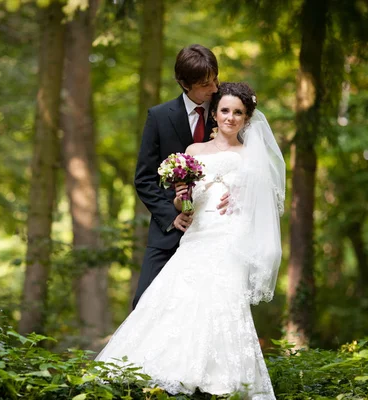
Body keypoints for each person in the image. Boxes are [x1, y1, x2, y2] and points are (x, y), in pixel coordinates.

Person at [96, 82, 285, 399]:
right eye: (225, 110)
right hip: (197, 233)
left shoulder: (252, 158)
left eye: (238, 112)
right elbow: (185, 202)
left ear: (247, 117)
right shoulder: (193, 152)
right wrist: (180, 199)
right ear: (215, 113)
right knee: (179, 294)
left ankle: (221, 380)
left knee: (223, 299)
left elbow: (266, 208)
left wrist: (245, 197)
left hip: (231, 236)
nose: (230, 117)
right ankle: (175, 372)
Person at [133, 44, 228, 309]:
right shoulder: (159, 117)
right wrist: (171, 216)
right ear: (185, 84)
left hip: (214, 230)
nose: (215, 89)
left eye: (215, 79)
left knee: (204, 308)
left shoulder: (227, 112)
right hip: (168, 231)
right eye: (206, 84)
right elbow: (143, 178)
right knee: (144, 303)